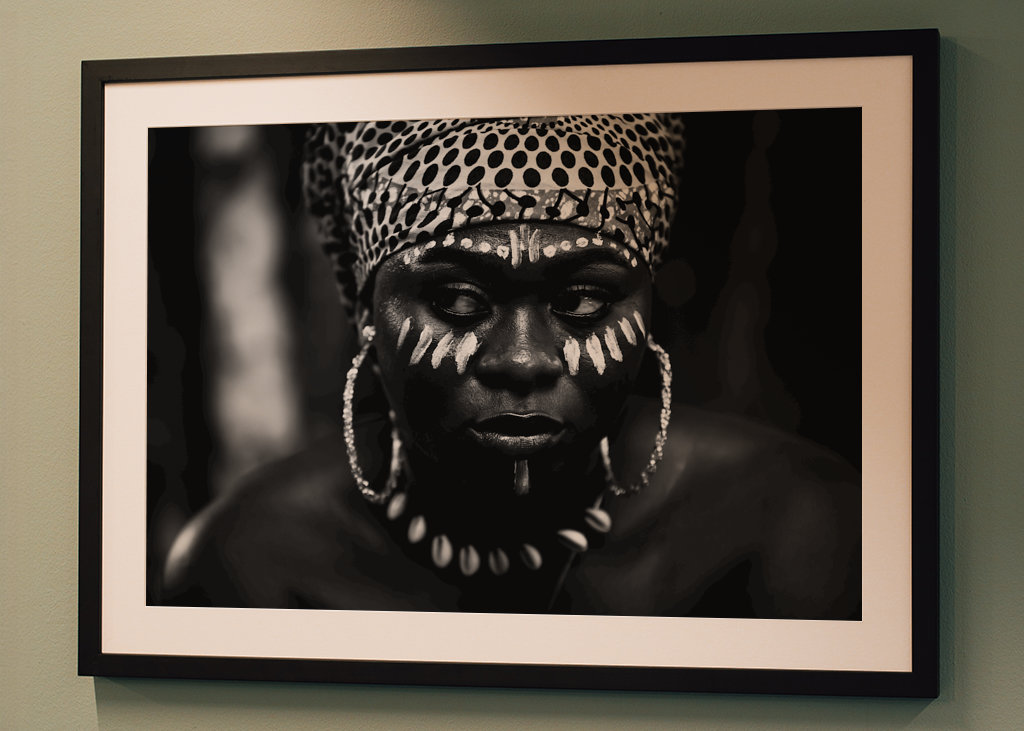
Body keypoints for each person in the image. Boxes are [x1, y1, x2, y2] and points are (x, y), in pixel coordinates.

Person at [161, 114, 860, 618]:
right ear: (366, 310)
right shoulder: (251, 565)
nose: (522, 359)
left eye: (583, 299)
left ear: (648, 308)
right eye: (457, 299)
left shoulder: (796, 529)